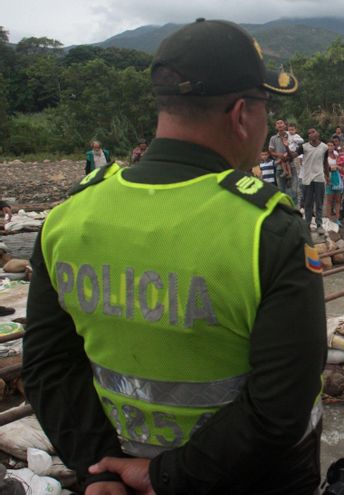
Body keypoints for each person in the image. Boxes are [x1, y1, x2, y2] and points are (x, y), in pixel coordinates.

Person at [22, 18, 325, 495]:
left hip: (116, 472)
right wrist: (165, 478)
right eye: (267, 108)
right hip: (251, 479)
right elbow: (281, 405)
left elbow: (46, 366)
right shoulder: (267, 228)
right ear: (243, 113)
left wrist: (97, 467)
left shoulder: (68, 217)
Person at [297, 129, 330, 234]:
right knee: (307, 203)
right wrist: (286, 147)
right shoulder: (304, 147)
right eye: (309, 133)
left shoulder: (324, 147)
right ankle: (307, 225)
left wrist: (327, 176)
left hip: (319, 178)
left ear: (318, 133)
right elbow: (292, 155)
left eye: (313, 132)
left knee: (319, 203)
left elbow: (325, 162)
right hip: (307, 179)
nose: (311, 134)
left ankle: (319, 224)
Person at [324, 141, 344, 225]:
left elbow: (341, 168)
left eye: (332, 145)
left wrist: (337, 167)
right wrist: (326, 178)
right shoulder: (324, 157)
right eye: (328, 145)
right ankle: (328, 218)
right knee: (329, 200)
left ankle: (337, 218)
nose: (330, 147)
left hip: (337, 178)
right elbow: (323, 168)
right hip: (329, 178)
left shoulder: (336, 156)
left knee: (338, 200)